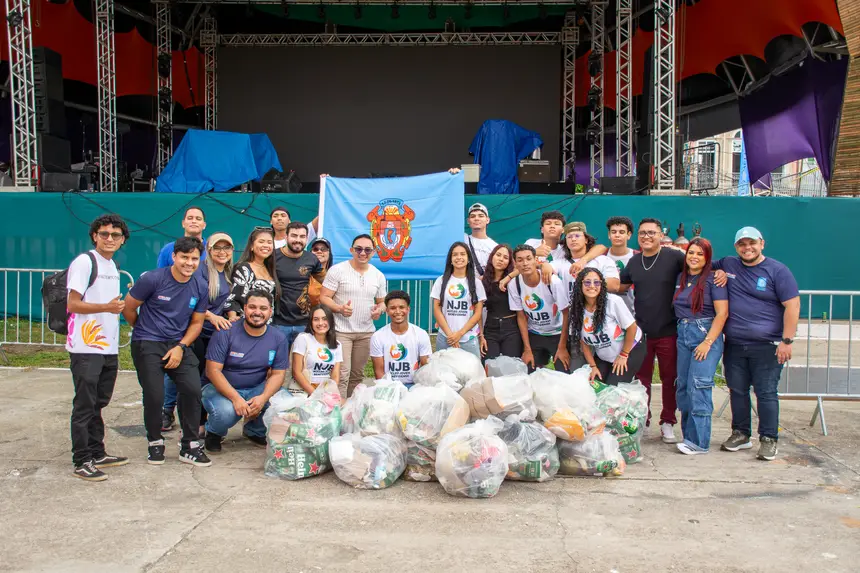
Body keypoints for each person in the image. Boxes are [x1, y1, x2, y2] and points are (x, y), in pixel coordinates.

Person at [123, 237, 211, 467]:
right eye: (184, 257)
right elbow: (129, 307)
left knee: (192, 389)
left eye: (194, 258)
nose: (189, 263)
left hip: (179, 344)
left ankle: (190, 445)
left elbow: (196, 323)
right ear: (174, 256)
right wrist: (142, 330)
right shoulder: (152, 279)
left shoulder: (201, 286)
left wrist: (181, 347)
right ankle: (155, 441)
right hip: (148, 343)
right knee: (155, 395)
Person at [714, 227, 799, 461]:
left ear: (762, 243)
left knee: (766, 393)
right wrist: (717, 271)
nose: (747, 248)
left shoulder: (778, 271)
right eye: (742, 244)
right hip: (735, 344)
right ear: (736, 247)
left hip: (767, 346)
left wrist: (787, 341)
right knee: (737, 390)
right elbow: (698, 262)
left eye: (752, 243)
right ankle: (741, 434)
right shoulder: (728, 264)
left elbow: (793, 306)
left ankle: (769, 438)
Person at [66, 214, 130, 481]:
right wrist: (107, 307)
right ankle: (82, 459)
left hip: (108, 346)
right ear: (94, 236)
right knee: (85, 404)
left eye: (116, 235)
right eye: (104, 234)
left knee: (99, 402)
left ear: (123, 239)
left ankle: (97, 451)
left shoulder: (112, 265)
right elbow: (73, 303)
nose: (109, 239)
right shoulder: (85, 262)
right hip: (86, 346)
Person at [619, 218, 687, 443]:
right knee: (642, 380)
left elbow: (700, 265)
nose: (646, 237)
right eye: (642, 233)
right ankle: (644, 420)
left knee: (670, 379)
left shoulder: (674, 256)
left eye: (651, 233)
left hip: (668, 330)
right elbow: (621, 285)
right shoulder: (634, 261)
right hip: (642, 332)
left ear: (660, 235)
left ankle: (668, 422)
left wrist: (719, 273)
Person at [162, 232, 236, 434]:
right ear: (209, 250)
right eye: (217, 248)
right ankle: (189, 425)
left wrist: (231, 315)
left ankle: (200, 423)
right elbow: (190, 299)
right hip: (196, 333)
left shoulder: (228, 272)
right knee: (190, 381)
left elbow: (228, 302)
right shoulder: (201, 270)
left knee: (205, 380)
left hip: (215, 335)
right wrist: (211, 317)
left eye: (226, 248)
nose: (222, 252)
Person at [202, 290, 289, 454]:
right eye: (252, 307)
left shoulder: (278, 338)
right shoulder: (225, 331)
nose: (257, 312)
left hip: (256, 387)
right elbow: (212, 371)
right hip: (219, 389)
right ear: (245, 308)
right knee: (226, 413)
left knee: (285, 403)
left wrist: (263, 398)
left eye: (263, 308)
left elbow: (278, 374)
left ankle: (254, 430)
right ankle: (214, 432)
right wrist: (236, 398)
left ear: (270, 311)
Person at [673, 237, 728, 456]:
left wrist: (707, 342)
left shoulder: (714, 279)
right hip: (683, 333)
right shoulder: (681, 278)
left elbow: (722, 313)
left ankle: (699, 442)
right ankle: (688, 437)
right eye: (691, 253)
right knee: (684, 387)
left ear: (707, 258)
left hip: (705, 334)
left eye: (700, 254)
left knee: (699, 386)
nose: (694, 257)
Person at [157, 206, 206, 432]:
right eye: (190, 218)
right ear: (183, 223)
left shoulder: (211, 248)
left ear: (204, 224)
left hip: (203, 319)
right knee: (173, 363)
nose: (194, 221)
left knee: (196, 369)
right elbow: (160, 279)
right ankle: (167, 410)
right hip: (175, 320)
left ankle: (198, 415)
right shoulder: (169, 249)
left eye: (198, 218)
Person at [320, 234, 386, 398]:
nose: (363, 253)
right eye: (358, 249)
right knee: (341, 374)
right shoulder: (337, 270)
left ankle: (351, 408)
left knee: (357, 375)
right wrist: (339, 308)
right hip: (341, 331)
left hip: (366, 332)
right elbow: (324, 297)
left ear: (374, 252)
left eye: (367, 250)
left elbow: (382, 302)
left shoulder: (378, 275)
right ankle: (338, 408)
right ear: (351, 250)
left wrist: (379, 310)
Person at [570, 268, 645, 385]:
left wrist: (624, 354)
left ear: (601, 285)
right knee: (595, 386)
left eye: (596, 282)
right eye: (587, 282)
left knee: (613, 389)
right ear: (580, 285)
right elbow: (583, 342)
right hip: (604, 356)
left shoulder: (613, 302)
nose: (592, 286)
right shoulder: (577, 308)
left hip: (630, 349)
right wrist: (593, 366)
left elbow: (632, 327)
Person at [507, 245, 570, 373]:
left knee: (564, 372)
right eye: (520, 260)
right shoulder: (514, 284)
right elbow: (521, 317)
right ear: (515, 263)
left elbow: (566, 313)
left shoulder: (553, 281)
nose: (525, 263)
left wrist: (562, 347)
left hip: (557, 333)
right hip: (535, 333)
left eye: (528, 258)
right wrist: (527, 349)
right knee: (528, 371)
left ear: (536, 260)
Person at [274, 222, 326, 348]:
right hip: (278, 322)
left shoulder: (312, 259)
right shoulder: (273, 256)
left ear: (307, 238)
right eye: (294, 236)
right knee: (278, 359)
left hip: (304, 322)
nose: (298, 240)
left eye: (302, 236)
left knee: (303, 359)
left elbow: (326, 282)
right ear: (286, 237)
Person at [431, 242, 486, 359]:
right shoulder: (441, 281)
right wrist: (450, 335)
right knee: (443, 370)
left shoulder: (477, 283)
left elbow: (478, 313)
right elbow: (436, 309)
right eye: (455, 254)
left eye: (462, 254)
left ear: (468, 259)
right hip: (445, 338)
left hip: (468, 339)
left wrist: (460, 334)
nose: (459, 257)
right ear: (450, 260)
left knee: (472, 370)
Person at [370, 290, 432, 387]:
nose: (398, 312)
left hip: (414, 385)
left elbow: (426, 367)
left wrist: (421, 389)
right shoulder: (378, 336)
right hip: (389, 386)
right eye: (393, 308)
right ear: (387, 311)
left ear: (408, 309)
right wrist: (387, 390)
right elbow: (379, 372)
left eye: (401, 307)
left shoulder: (421, 334)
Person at [479, 244, 523, 361]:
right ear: (492, 256)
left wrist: (508, 277)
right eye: (498, 255)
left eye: (505, 257)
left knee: (512, 365)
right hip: (490, 328)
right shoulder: (482, 281)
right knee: (489, 364)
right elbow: (477, 310)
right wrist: (481, 335)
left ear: (509, 262)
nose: (501, 259)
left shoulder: (514, 280)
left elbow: (529, 266)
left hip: (511, 328)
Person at [226, 227, 279, 321]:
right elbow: (233, 298)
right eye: (261, 242)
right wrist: (232, 316)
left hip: (267, 325)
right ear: (251, 246)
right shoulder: (244, 268)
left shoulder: (271, 269)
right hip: (247, 323)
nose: (266, 245)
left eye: (269, 242)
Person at [290, 305, 343, 396]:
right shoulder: (303, 339)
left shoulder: (337, 345)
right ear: (311, 322)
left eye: (324, 319)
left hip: (325, 390)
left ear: (331, 321)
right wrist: (315, 395)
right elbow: (296, 372)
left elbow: (335, 376)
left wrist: (328, 393)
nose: (320, 323)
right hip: (304, 390)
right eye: (316, 319)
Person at [605, 216, 637, 313]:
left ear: (629, 235)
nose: (617, 235)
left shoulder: (637, 257)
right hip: (606, 313)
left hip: (632, 313)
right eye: (614, 232)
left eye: (622, 232)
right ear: (609, 235)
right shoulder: (601, 256)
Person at [464, 202, 497, 277]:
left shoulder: (495, 247)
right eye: (473, 216)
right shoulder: (462, 239)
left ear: (487, 220)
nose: (476, 219)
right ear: (468, 221)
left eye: (481, 216)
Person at [308, 237, 333, 307]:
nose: (319, 251)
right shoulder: (303, 274)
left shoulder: (334, 274)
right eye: (315, 249)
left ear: (329, 254)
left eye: (323, 249)